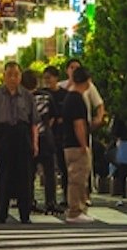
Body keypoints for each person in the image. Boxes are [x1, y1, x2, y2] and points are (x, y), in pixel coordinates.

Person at [0, 61, 39, 224]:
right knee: (4, 175)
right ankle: (2, 214)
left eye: (16, 75)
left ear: (20, 76)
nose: (13, 78)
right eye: (9, 74)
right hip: (4, 135)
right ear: (4, 76)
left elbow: (34, 123)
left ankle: (25, 214)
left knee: (25, 176)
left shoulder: (28, 96)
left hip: (23, 135)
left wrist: (35, 143)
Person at [62, 67, 94, 224]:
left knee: (77, 178)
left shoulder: (69, 97)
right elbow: (79, 124)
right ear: (87, 81)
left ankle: (78, 208)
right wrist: (83, 144)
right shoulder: (77, 99)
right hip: (76, 145)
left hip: (69, 144)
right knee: (78, 179)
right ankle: (75, 210)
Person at [30, 67, 60, 213]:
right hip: (46, 137)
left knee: (30, 171)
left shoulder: (26, 97)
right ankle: (51, 202)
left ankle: (29, 200)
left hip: (30, 138)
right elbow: (54, 116)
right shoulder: (48, 97)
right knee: (49, 172)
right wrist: (46, 127)